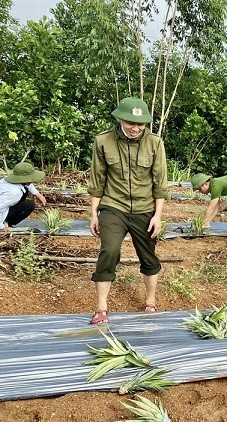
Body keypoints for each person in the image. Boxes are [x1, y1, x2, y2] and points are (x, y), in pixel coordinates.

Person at [87, 97, 168, 324]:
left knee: (148, 256)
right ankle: (101, 308)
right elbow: (97, 179)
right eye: (131, 122)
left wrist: (158, 216)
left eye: (140, 124)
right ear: (120, 119)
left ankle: (150, 302)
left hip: (145, 208)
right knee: (109, 250)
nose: (135, 128)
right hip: (114, 206)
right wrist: (94, 213)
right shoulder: (103, 141)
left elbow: (160, 183)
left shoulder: (155, 143)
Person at [0, 162, 47, 232]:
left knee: (25, 191)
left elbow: (27, 184)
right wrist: (2, 227)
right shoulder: (14, 193)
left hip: (4, 204)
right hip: (1, 209)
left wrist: (37, 194)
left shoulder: (10, 180)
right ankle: (7, 222)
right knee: (29, 205)